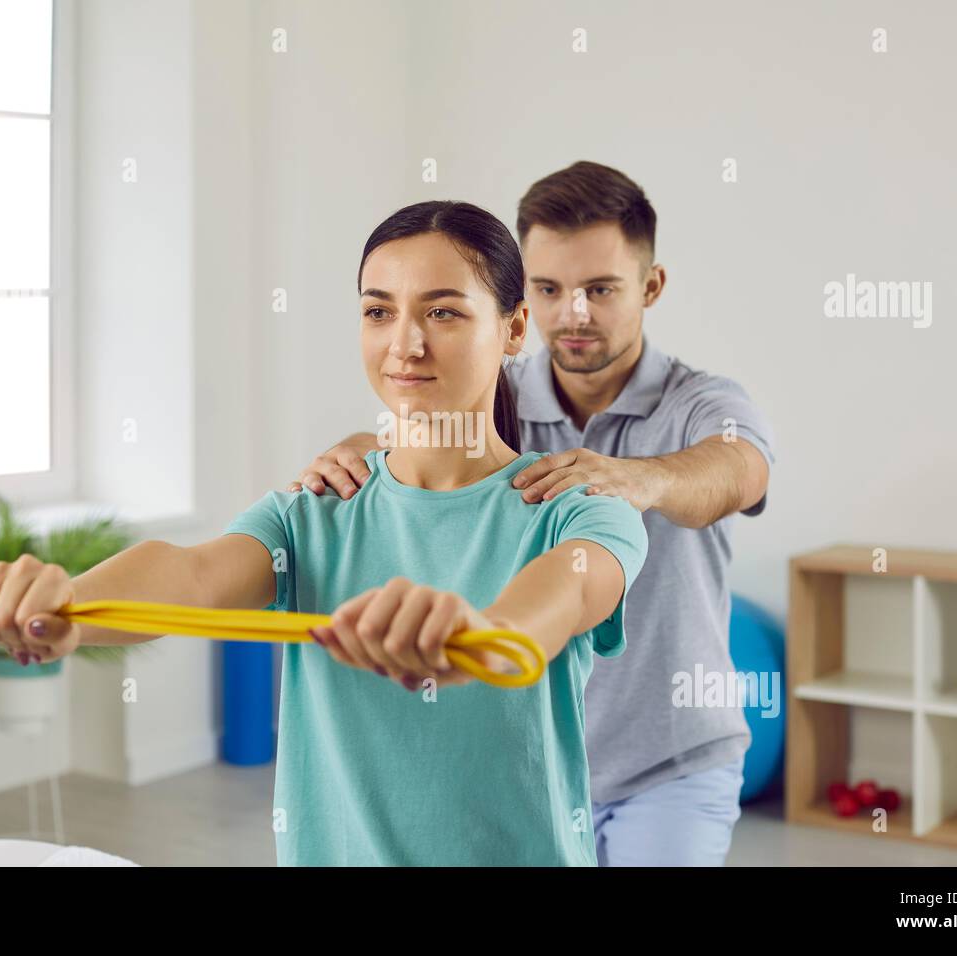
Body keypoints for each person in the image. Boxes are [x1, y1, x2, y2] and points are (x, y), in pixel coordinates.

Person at [0, 199, 649, 867]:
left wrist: (479, 635)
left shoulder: (578, 506)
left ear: (515, 328)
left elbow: (554, 605)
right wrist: (67, 606)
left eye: (442, 311)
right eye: (379, 311)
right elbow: (191, 574)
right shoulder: (316, 508)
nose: (405, 343)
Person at [289, 162, 776, 866]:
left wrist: (640, 478)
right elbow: (423, 437)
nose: (572, 314)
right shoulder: (496, 391)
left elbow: (738, 470)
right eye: (549, 289)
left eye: (600, 290)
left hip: (668, 763)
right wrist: (371, 446)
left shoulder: (702, 402)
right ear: (521, 307)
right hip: (533, 763)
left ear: (651, 286)